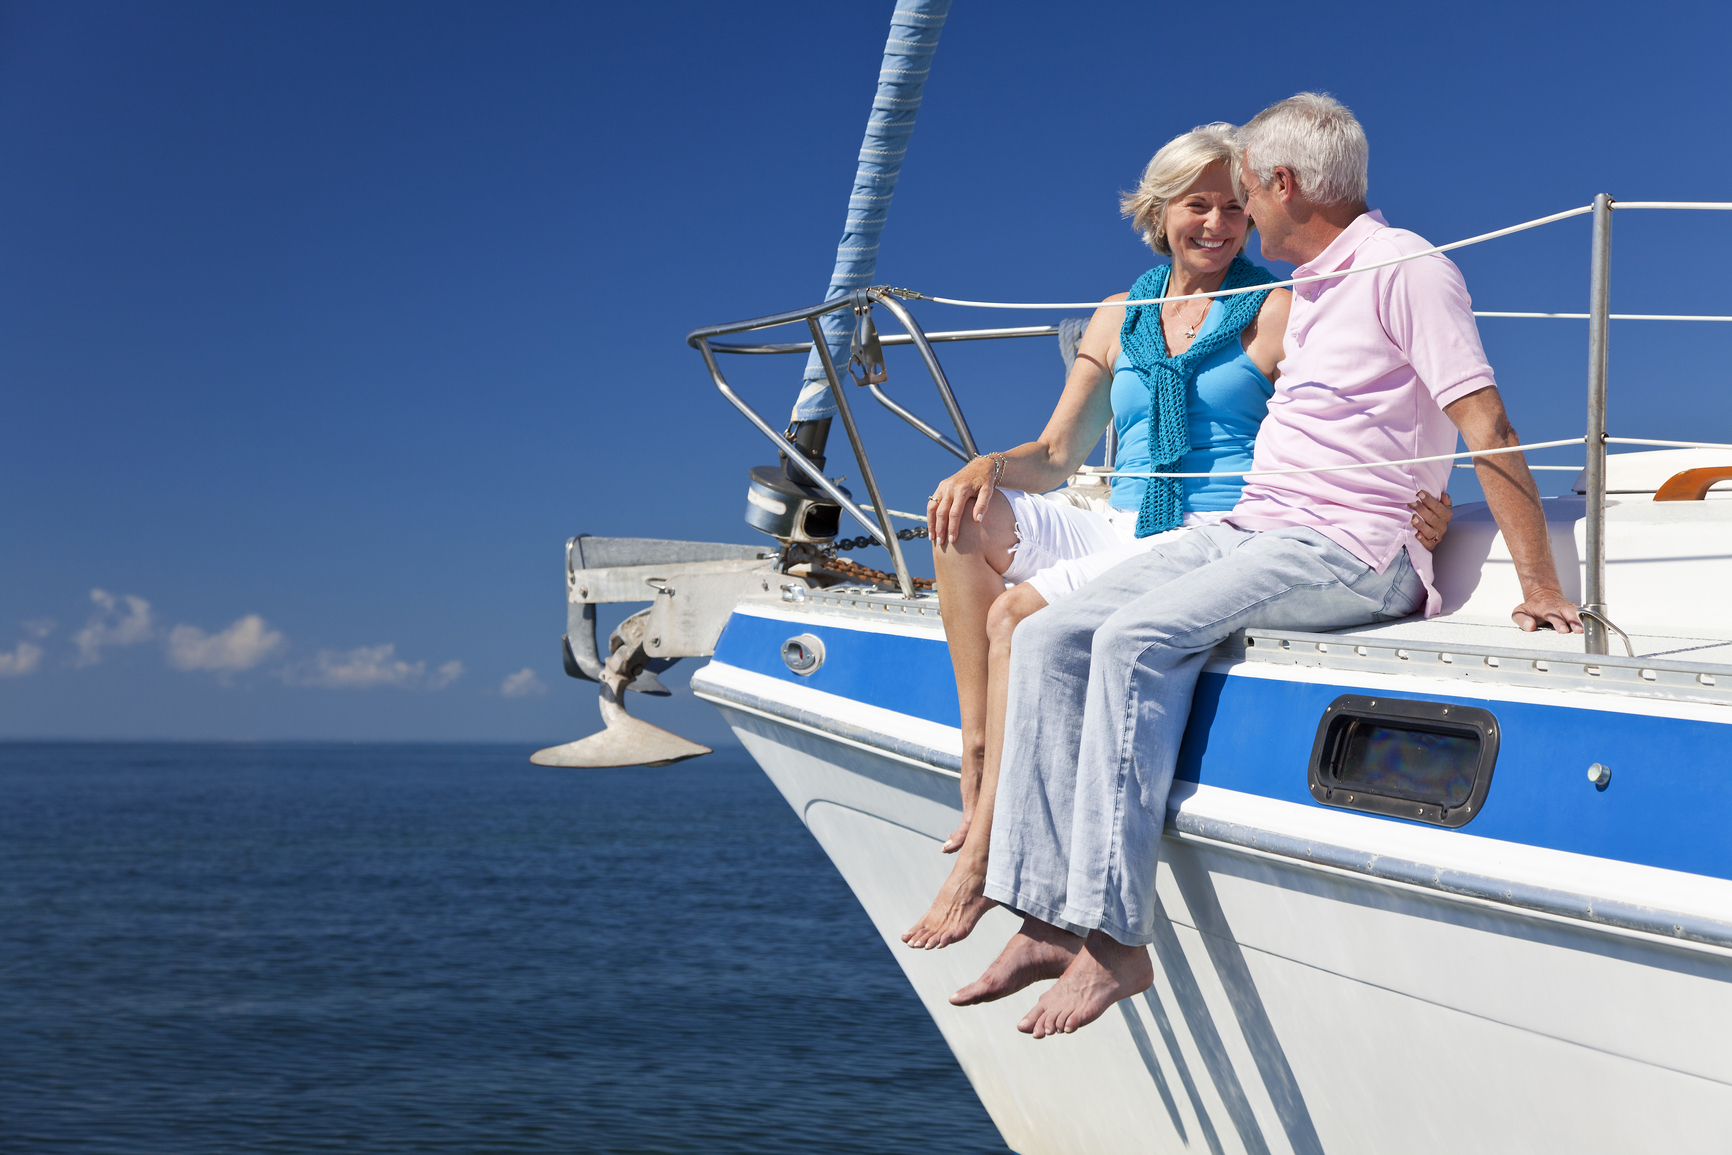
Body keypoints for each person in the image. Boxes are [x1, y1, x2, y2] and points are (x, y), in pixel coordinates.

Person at [952, 92, 1583, 1039]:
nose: (1239, 211)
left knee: (1133, 639)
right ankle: (1044, 913)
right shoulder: (1319, 283)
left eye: (1246, 190)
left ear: (1282, 184)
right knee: (1049, 632)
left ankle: (1117, 942)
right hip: (1256, 524)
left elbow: (1484, 421)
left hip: (1346, 547)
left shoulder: (1406, 268)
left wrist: (1539, 587)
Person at [900, 123, 1452, 952]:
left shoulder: (1275, 309)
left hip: (1208, 527)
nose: (1218, 225)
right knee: (956, 516)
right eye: (1199, 205)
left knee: (1019, 613)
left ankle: (982, 849)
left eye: (1235, 207)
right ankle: (978, 754)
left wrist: (1425, 493)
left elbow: (1370, 405)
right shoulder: (1121, 314)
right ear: (1160, 211)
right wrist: (986, 464)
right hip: (1115, 515)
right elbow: (1055, 458)